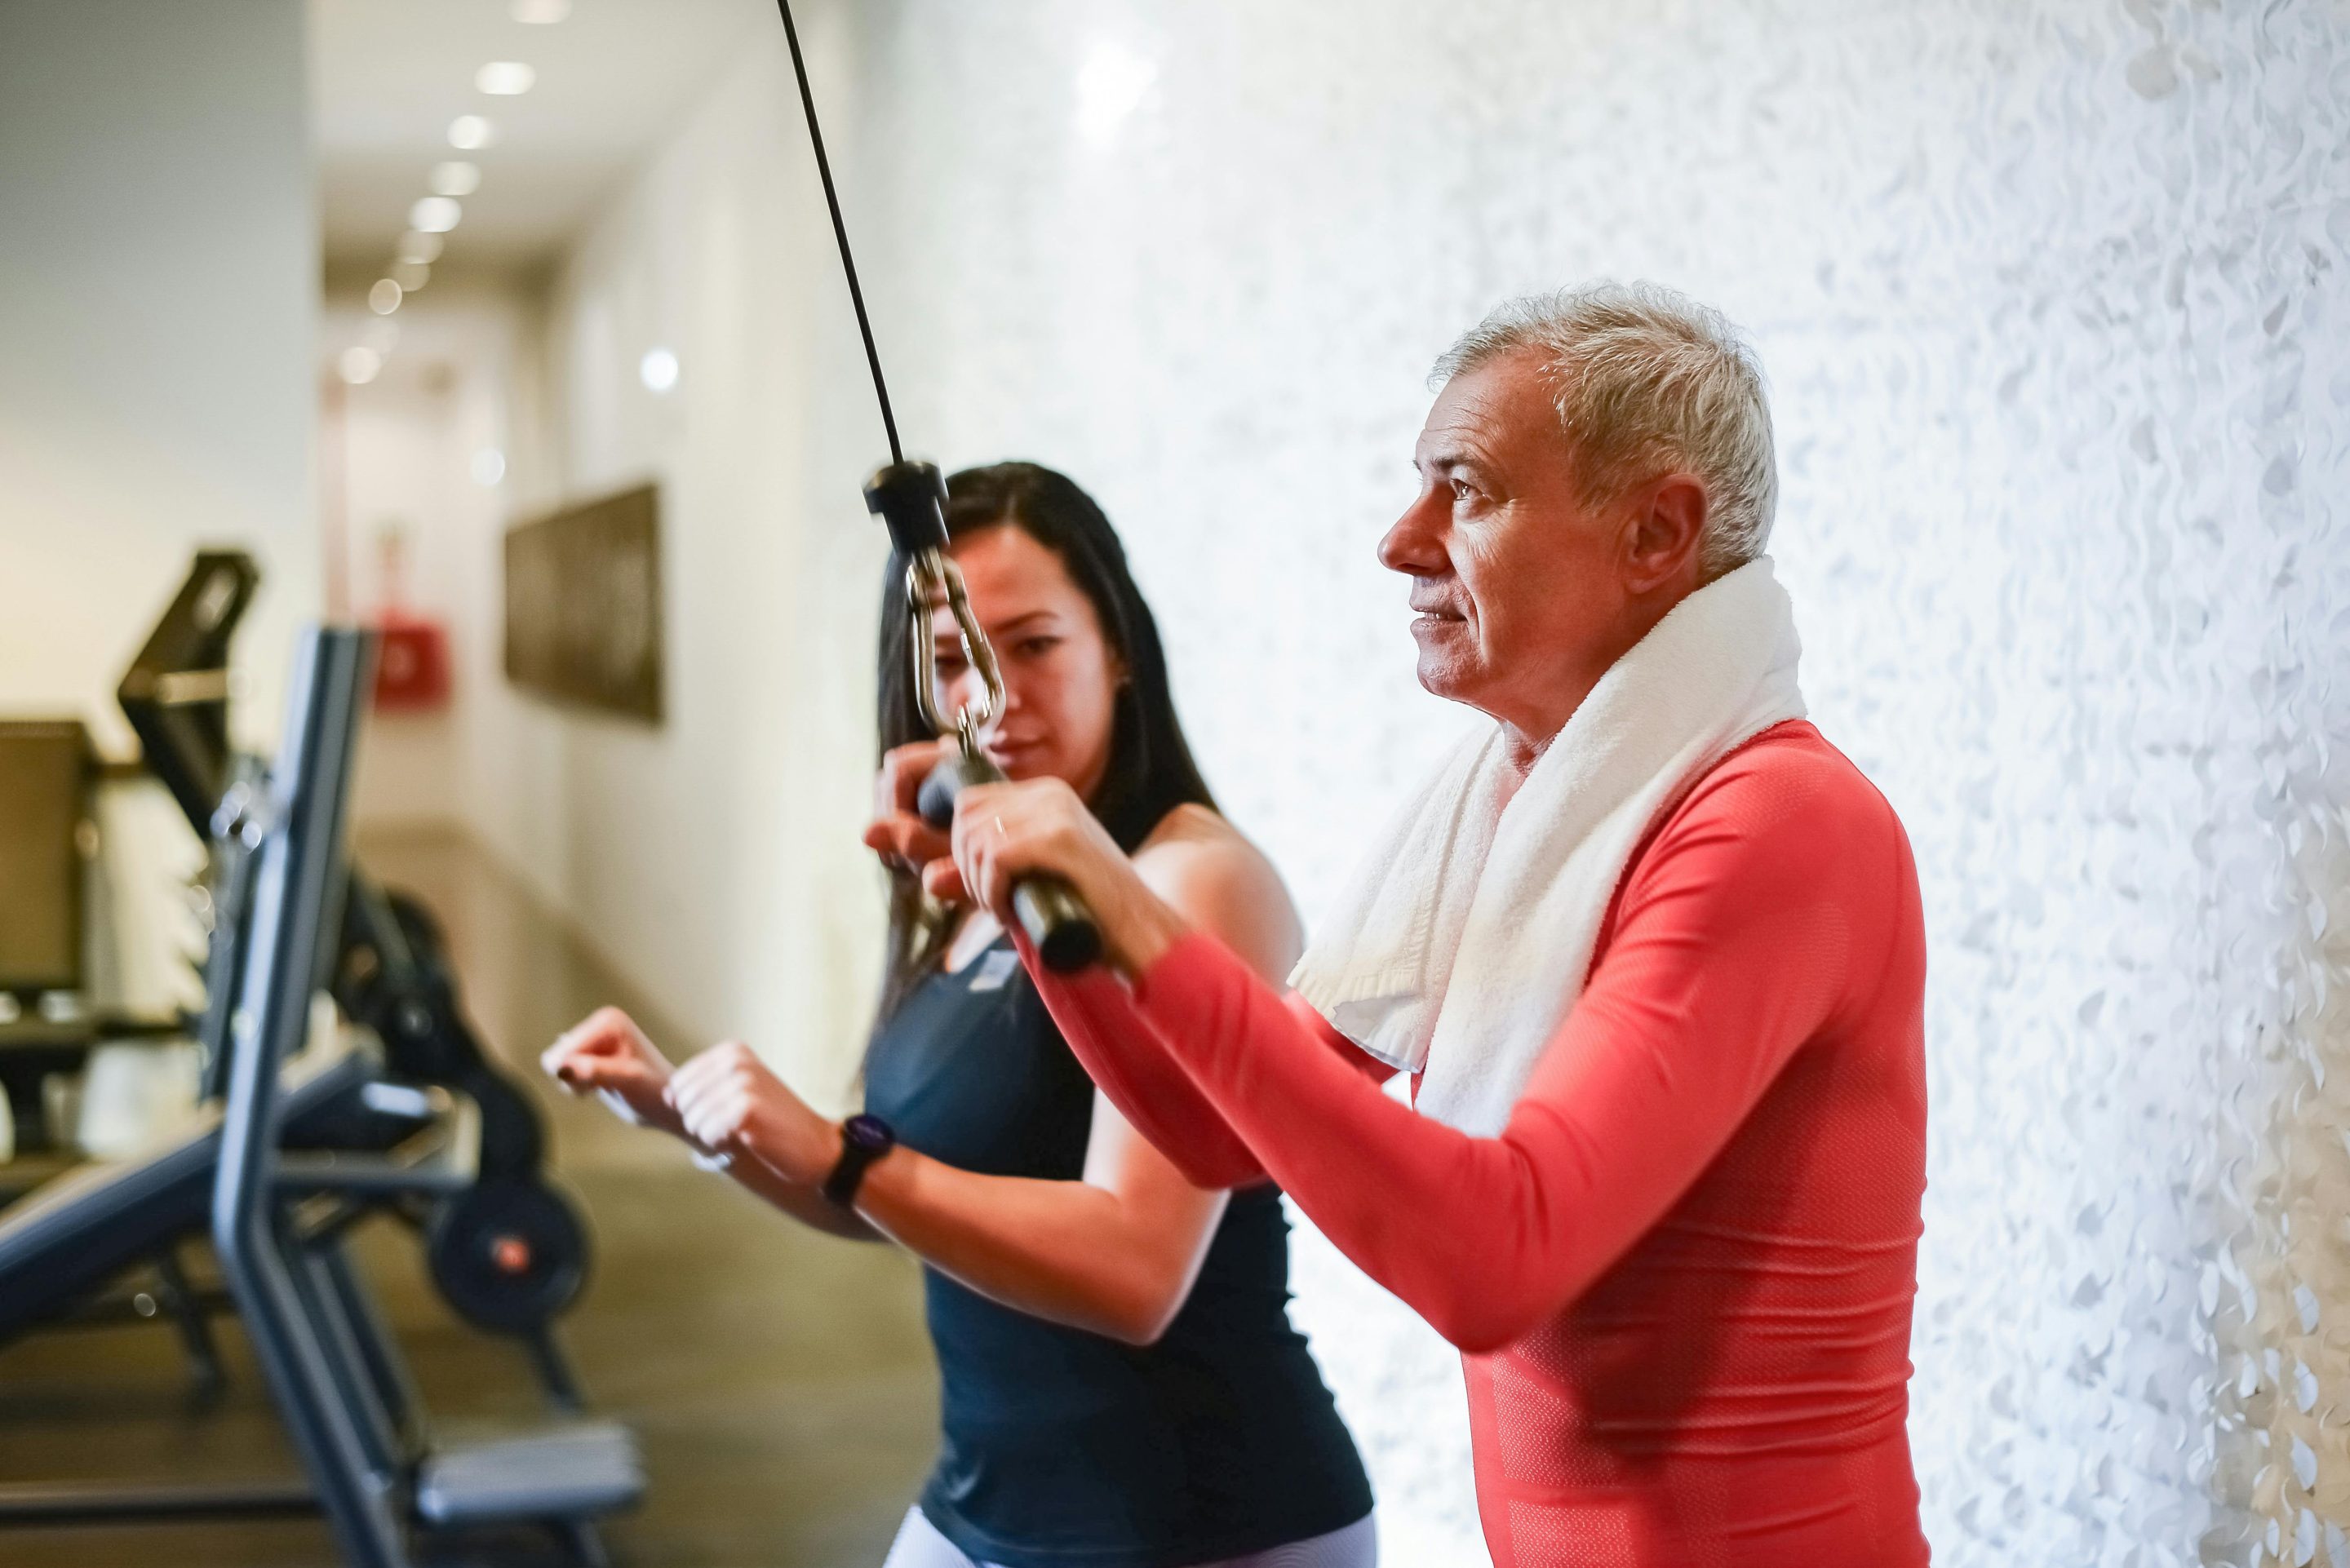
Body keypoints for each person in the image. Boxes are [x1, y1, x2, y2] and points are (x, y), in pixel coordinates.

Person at [928, 287, 1932, 1567]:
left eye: (1464, 488)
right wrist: (1036, 899)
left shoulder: (1782, 823)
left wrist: (1128, 899)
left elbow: (1496, 1261)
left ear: (1656, 532)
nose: (1401, 542)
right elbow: (1210, 1130)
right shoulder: (1507, 794)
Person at [542, 462, 1375, 1568]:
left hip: (1204, 1522)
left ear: (1117, 649)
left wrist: (843, 1155)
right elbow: (906, 1200)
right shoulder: (975, 885)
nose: (992, 697)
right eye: (951, 661)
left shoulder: (1189, 879)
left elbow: (1137, 1274)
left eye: (1033, 644)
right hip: (981, 1501)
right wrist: (688, 1115)